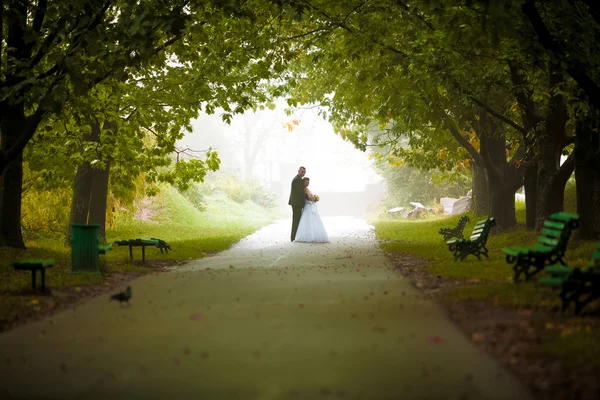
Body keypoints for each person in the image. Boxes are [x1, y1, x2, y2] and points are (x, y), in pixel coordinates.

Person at [294, 177, 329, 243]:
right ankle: (311, 236)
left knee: (309, 221)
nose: (307, 183)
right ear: (303, 182)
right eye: (306, 182)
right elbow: (309, 197)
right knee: (310, 221)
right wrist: (315, 199)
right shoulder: (305, 189)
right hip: (308, 206)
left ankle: (309, 235)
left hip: (308, 206)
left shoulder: (304, 189)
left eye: (308, 182)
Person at [288, 166, 306, 241]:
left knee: (297, 220)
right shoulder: (297, 180)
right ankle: (293, 237)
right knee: (296, 220)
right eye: (302, 171)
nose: (303, 173)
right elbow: (300, 193)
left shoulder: (299, 179)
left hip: (296, 203)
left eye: (304, 172)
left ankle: (295, 236)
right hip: (296, 203)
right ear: (298, 171)